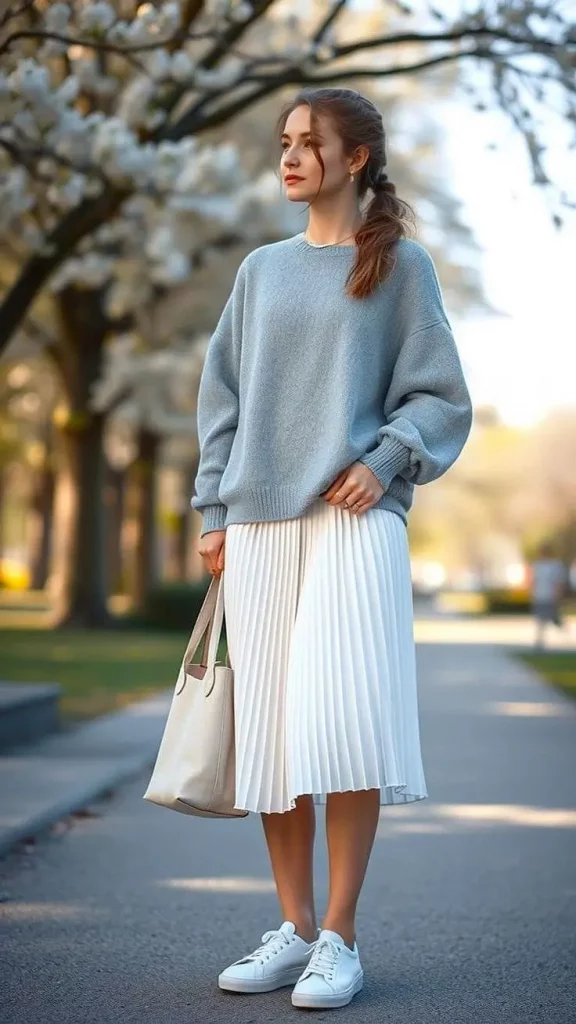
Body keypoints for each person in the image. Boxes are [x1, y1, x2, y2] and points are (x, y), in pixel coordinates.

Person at [191, 87, 473, 1011]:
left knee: (343, 727)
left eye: (309, 143)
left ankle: (341, 938)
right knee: (274, 732)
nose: (290, 155)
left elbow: (438, 397)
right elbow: (223, 401)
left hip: (355, 525)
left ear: (356, 159)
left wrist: (389, 456)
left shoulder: (402, 268)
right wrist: (211, 510)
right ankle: (294, 927)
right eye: (284, 142)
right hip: (261, 524)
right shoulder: (262, 272)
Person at [528, 542, 567, 649]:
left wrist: (558, 594)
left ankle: (560, 624)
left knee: (553, 617)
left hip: (550, 596)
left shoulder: (555, 566)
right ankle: (539, 641)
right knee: (540, 620)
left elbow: (558, 582)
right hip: (539, 596)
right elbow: (533, 581)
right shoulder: (537, 566)